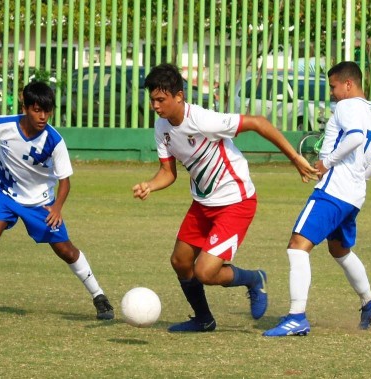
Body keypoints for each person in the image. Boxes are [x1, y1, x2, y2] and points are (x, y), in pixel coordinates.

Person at [132, 63, 318, 332]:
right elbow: (167, 173)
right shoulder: (162, 128)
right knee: (181, 262)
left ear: (179, 96)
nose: (156, 106)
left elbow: (258, 122)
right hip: (203, 203)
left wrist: (295, 158)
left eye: (161, 100)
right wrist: (150, 185)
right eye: (152, 100)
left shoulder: (203, 120)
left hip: (235, 201)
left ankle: (254, 279)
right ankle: (203, 319)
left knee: (205, 272)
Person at [0, 80, 114, 320]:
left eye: (47, 111)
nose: (43, 116)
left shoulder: (54, 141)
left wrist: (58, 208)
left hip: (40, 203)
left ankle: (99, 296)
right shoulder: (2, 124)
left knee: (66, 250)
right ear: (26, 106)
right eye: (37, 110)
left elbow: (65, 181)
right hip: (5, 193)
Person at [263, 61, 371, 337]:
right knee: (340, 250)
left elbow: (355, 138)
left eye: (333, 86)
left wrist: (327, 164)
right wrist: (355, 178)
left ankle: (296, 317)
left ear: (348, 84)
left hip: (334, 191)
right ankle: (370, 303)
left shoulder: (346, 107)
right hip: (354, 194)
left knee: (297, 247)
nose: (331, 92)